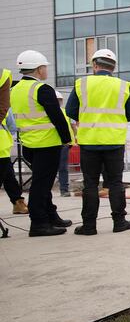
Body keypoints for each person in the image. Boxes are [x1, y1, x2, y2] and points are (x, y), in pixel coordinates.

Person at [66, 49, 130, 235]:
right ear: (113, 67)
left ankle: (89, 226)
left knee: (90, 183)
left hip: (89, 142)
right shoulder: (123, 85)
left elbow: (70, 110)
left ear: (95, 65)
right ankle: (119, 222)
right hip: (114, 142)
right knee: (115, 182)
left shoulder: (81, 84)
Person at [10, 51, 73, 236]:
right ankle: (38, 223)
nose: (46, 70)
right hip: (47, 144)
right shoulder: (42, 89)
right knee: (41, 186)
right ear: (39, 69)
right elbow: (58, 117)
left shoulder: (15, 89)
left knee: (42, 182)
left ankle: (51, 216)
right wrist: (67, 139)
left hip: (28, 144)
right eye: (45, 67)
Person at [0, 68, 28, 215]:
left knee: (8, 174)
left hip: (2, 147)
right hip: (1, 146)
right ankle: (18, 201)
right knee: (7, 174)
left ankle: (17, 201)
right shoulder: (4, 103)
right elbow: (12, 125)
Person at [55, 91, 73, 197]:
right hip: (52, 143)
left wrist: (71, 141)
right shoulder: (46, 113)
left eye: (59, 100)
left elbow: (70, 127)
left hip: (64, 144)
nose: (58, 102)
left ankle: (64, 189)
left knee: (63, 167)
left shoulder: (65, 112)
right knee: (50, 168)